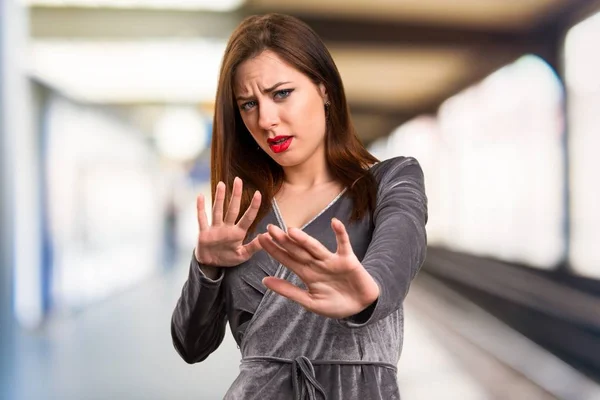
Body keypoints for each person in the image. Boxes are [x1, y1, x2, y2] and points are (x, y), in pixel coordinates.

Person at [171, 13, 428, 400]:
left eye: (281, 93)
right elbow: (191, 345)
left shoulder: (390, 181)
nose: (266, 120)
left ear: (324, 89)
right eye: (248, 104)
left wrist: (368, 290)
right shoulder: (242, 213)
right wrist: (206, 267)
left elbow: (400, 248)